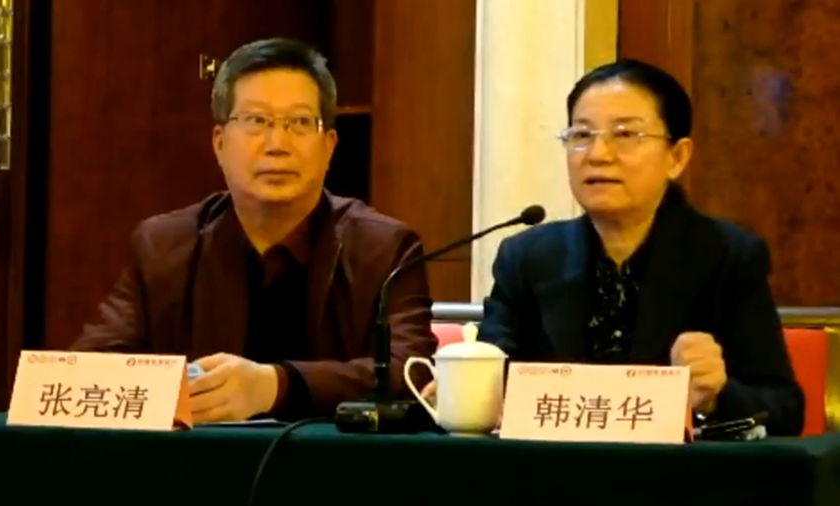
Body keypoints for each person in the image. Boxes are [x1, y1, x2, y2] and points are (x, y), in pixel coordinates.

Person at [70, 38, 436, 423]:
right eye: (256, 121)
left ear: (329, 147)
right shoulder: (162, 247)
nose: (277, 144)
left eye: (299, 123)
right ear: (219, 143)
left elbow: (413, 375)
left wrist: (275, 386)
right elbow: (90, 371)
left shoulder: (385, 249)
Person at [475, 59, 803, 436]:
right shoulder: (527, 258)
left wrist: (717, 395)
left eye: (626, 134)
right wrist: (465, 389)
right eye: (581, 135)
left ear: (676, 157)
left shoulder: (729, 256)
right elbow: (489, 376)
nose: (598, 154)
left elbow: (784, 409)